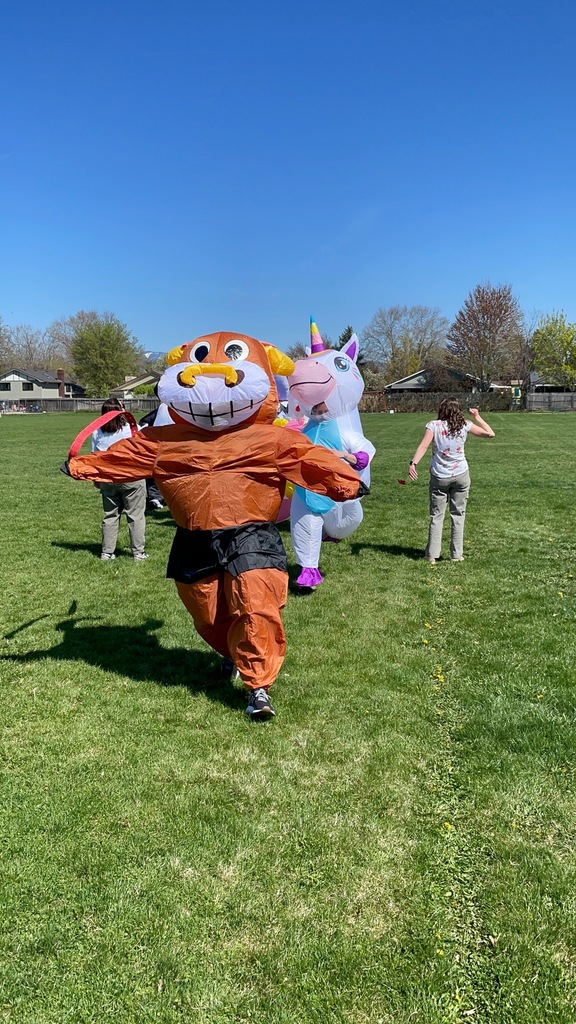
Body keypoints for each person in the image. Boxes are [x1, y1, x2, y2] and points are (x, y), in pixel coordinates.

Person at [62, 332, 365, 720]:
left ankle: (258, 687)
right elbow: (123, 457)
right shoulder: (161, 441)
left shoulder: (270, 439)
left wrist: (346, 482)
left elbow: (311, 461)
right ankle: (230, 650)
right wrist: (81, 465)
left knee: (256, 606)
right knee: (207, 612)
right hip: (195, 538)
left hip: (251, 535)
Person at [408, 398, 495, 564]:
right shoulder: (465, 425)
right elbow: (490, 433)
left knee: (437, 516)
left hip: (439, 476)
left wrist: (414, 463)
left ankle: (432, 555)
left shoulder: (433, 425)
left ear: (443, 410)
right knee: (458, 515)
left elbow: (423, 446)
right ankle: (456, 555)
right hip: (461, 475)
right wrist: (478, 416)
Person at [91, 398, 148, 561]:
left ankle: (107, 552)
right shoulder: (132, 430)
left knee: (110, 515)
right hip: (132, 477)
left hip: (108, 478)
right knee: (136, 515)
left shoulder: (97, 432)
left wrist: (96, 478)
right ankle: (138, 552)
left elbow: (94, 456)